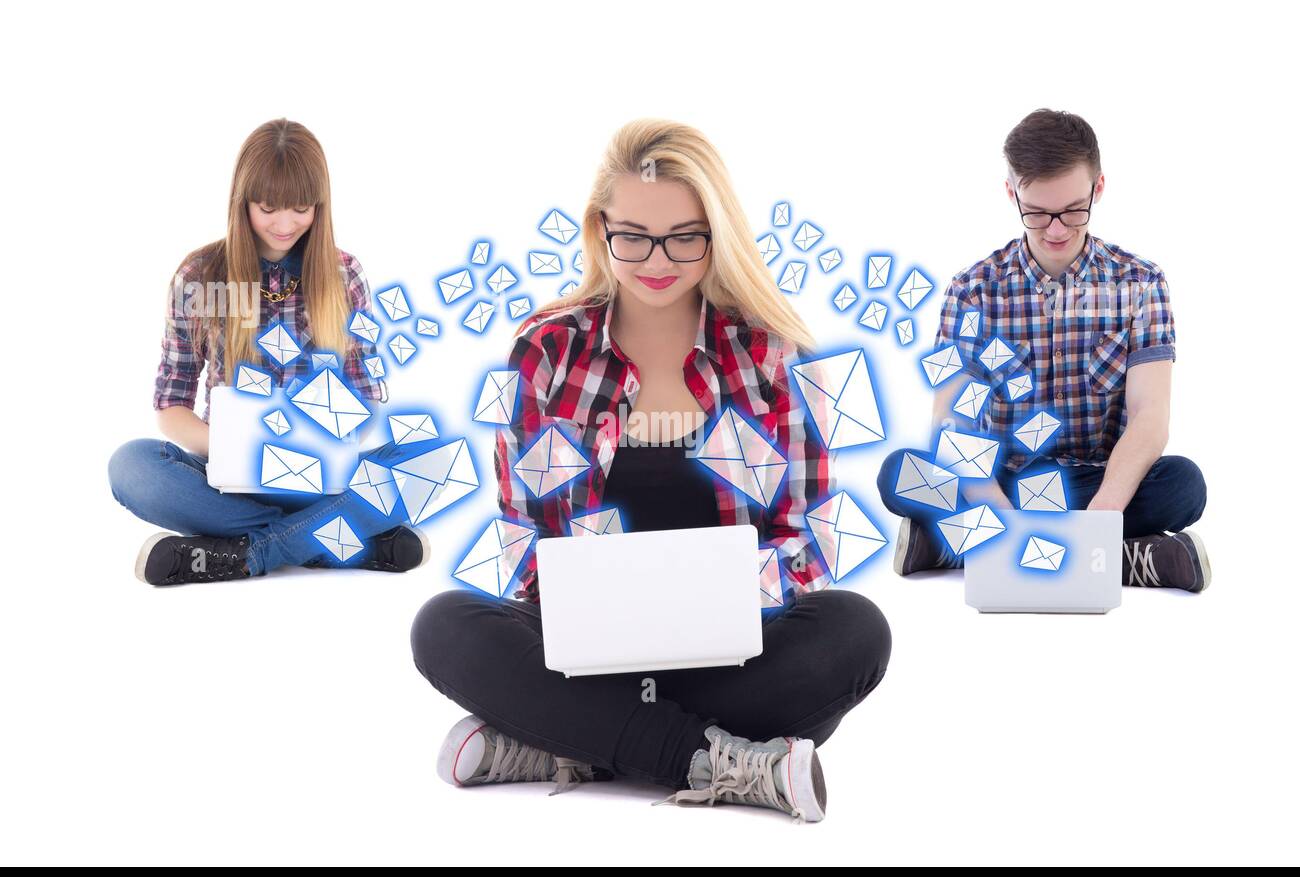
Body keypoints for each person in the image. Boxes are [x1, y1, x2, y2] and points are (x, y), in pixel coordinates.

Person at [409, 119, 892, 822]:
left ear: (716, 232)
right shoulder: (546, 352)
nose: (656, 258)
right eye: (632, 235)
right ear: (599, 229)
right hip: (581, 655)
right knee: (442, 625)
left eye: (684, 236)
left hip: (733, 659)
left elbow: (805, 537)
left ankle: (565, 743)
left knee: (855, 631)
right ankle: (722, 761)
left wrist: (719, 601)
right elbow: (524, 533)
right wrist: (599, 611)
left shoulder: (772, 359)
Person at [877, 109, 1209, 592]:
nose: (1056, 230)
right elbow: (953, 423)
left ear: (1098, 189)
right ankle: (1123, 558)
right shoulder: (972, 291)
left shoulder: (1141, 283)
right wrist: (1000, 512)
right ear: (1012, 193)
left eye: (1073, 210)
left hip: (1098, 482)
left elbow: (1149, 415)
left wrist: (1105, 508)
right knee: (897, 472)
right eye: (1036, 212)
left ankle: (961, 547)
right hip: (998, 483)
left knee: (1184, 485)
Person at [108, 118, 427, 586]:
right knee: (130, 465)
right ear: (243, 203)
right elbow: (172, 403)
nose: (284, 225)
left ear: (320, 205)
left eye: (301, 209)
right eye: (268, 208)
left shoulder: (344, 275)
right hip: (228, 479)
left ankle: (248, 552)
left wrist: (324, 449)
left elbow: (367, 395)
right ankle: (328, 540)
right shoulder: (200, 276)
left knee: (427, 458)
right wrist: (238, 452)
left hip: (319, 478)